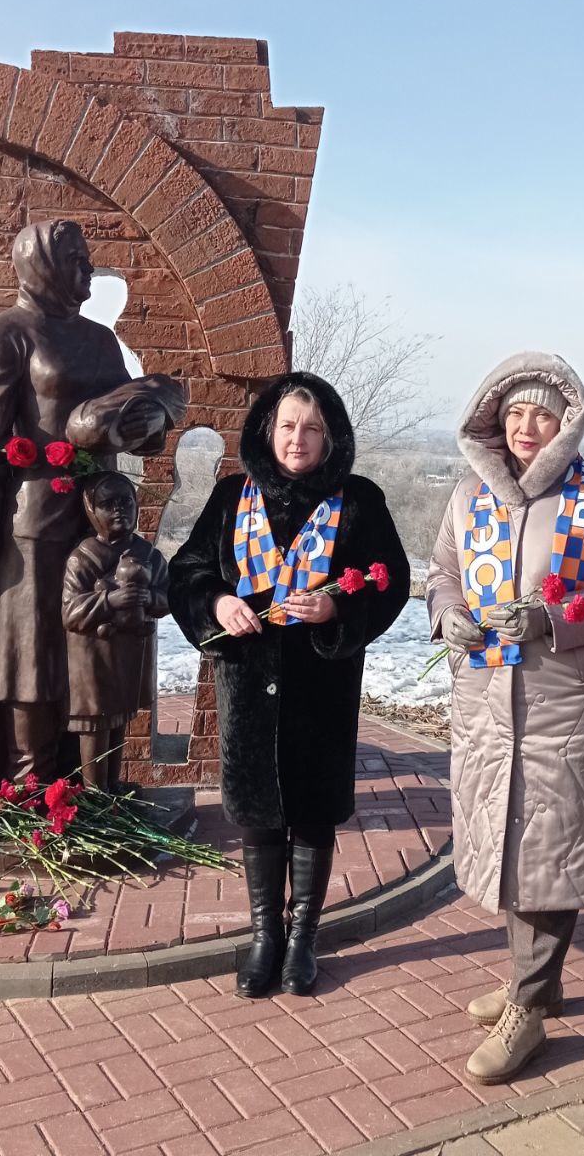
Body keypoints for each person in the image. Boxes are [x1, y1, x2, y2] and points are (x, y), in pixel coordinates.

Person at [427, 352, 584, 1085]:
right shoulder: (469, 496)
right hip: (486, 700)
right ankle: (538, 984)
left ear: (567, 423)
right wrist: (448, 614)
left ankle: (527, 1007)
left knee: (550, 843)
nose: (527, 427)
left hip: (564, 703)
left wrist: (554, 619)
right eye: (516, 413)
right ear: (496, 419)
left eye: (543, 415)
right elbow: (443, 573)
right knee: (507, 836)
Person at [168, 372, 410, 998]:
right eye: (287, 426)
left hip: (321, 686)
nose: (298, 438)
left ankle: (303, 937)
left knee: (312, 814)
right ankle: (264, 936)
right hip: (248, 685)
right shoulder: (232, 496)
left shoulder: (358, 501)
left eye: (312, 428)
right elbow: (187, 570)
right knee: (257, 814)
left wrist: (337, 609)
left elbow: (390, 580)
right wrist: (218, 602)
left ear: (331, 437)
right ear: (267, 430)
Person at [0, 219, 184, 784]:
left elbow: (131, 411)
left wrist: (147, 420)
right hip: (34, 516)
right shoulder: (4, 331)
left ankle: (86, 784)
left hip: (100, 514)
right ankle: (29, 781)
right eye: (75, 259)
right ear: (41, 264)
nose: (87, 269)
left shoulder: (100, 339)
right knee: (32, 651)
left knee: (90, 645)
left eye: (87, 258)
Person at [62, 473, 169, 791]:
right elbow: (70, 612)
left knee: (120, 716)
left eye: (126, 502)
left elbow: (168, 598)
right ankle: (96, 793)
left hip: (130, 654)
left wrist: (149, 599)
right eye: (108, 504)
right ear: (91, 511)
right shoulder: (82, 558)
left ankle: (112, 783)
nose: (119, 510)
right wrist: (110, 600)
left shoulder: (149, 555)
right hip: (92, 658)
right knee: (96, 723)